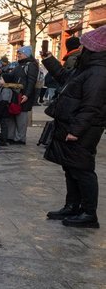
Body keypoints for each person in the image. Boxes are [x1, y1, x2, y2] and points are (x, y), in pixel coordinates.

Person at [40, 25, 106, 228]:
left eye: (85, 46)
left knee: (83, 170)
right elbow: (64, 79)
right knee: (71, 168)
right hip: (71, 124)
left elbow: (91, 106)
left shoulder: (98, 72)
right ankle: (72, 206)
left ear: (94, 48)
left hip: (84, 128)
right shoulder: (86, 68)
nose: (81, 49)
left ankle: (88, 213)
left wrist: (76, 131)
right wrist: (48, 59)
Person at [9, 46, 40, 144]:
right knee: (15, 115)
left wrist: (27, 95)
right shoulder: (20, 65)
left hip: (23, 96)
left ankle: (20, 139)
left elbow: (31, 81)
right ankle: (14, 137)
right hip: (16, 94)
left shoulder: (31, 65)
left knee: (21, 118)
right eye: (18, 53)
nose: (18, 55)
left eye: (20, 53)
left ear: (26, 54)